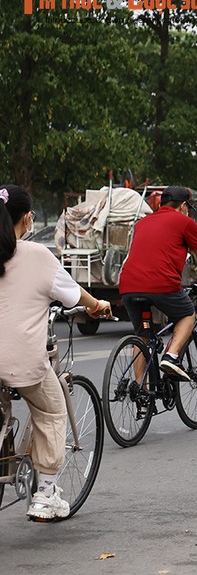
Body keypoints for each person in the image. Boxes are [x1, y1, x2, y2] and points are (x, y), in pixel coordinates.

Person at [0, 185, 110, 521]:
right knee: (50, 410)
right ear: (27, 216)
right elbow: (74, 294)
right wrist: (97, 305)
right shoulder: (36, 255)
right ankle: (45, 497)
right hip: (19, 360)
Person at [118, 186, 197, 382]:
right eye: (188, 207)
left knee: (142, 335)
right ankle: (171, 356)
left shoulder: (142, 223)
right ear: (183, 205)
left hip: (128, 285)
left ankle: (141, 390)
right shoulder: (185, 223)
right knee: (188, 314)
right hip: (160, 285)